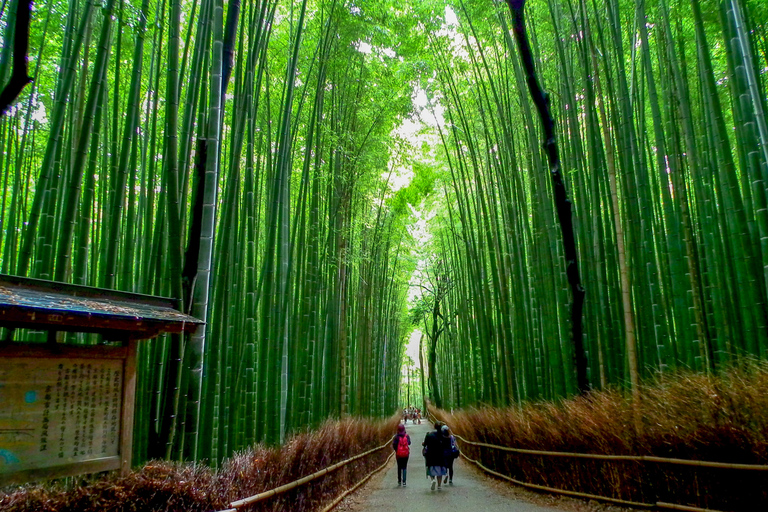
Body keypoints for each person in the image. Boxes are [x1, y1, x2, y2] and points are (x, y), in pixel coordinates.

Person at [422, 421, 450, 490]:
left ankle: (432, 480)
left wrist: (424, 444)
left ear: (434, 426)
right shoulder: (443, 436)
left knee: (431, 468)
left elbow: (425, 444)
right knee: (440, 470)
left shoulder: (429, 435)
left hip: (431, 455)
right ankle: (439, 485)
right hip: (440, 455)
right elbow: (446, 445)